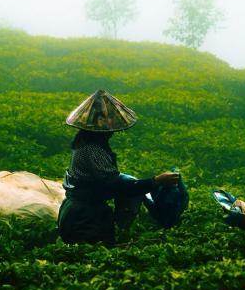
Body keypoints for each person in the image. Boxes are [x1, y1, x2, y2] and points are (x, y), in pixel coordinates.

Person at [57, 89, 180, 245]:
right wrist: (156, 181)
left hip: (80, 210)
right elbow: (118, 186)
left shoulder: (85, 143)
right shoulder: (92, 150)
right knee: (94, 252)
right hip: (84, 218)